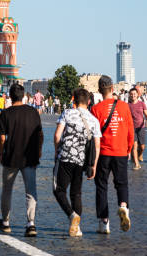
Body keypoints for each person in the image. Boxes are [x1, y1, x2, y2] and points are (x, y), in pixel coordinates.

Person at [0, 83, 43, 238]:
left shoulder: (5, 114)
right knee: (31, 191)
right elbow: (40, 135)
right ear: (23, 95)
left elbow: (2, 138)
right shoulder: (33, 112)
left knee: (7, 190)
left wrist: (1, 153)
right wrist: (39, 152)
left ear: (10, 96)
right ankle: (31, 224)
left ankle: (6, 223)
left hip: (11, 157)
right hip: (30, 157)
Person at [53, 88, 101, 237]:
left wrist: (57, 151)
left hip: (65, 157)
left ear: (74, 100)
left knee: (58, 190)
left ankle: (71, 215)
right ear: (88, 102)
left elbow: (57, 135)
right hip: (81, 160)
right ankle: (76, 228)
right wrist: (94, 165)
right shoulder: (94, 120)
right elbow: (97, 145)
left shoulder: (67, 113)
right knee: (76, 193)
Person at [91, 75, 133, 234]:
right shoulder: (124, 106)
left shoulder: (96, 109)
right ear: (112, 88)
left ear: (100, 90)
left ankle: (104, 223)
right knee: (122, 183)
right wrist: (128, 150)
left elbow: (94, 135)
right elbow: (130, 131)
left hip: (103, 153)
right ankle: (123, 207)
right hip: (121, 151)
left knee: (101, 186)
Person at [128, 88, 147, 170]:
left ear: (137, 94)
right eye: (131, 94)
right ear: (129, 95)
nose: (133, 95)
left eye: (134, 94)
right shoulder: (128, 105)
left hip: (141, 127)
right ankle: (137, 164)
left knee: (142, 147)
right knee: (134, 146)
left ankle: (140, 154)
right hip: (132, 128)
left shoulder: (141, 104)